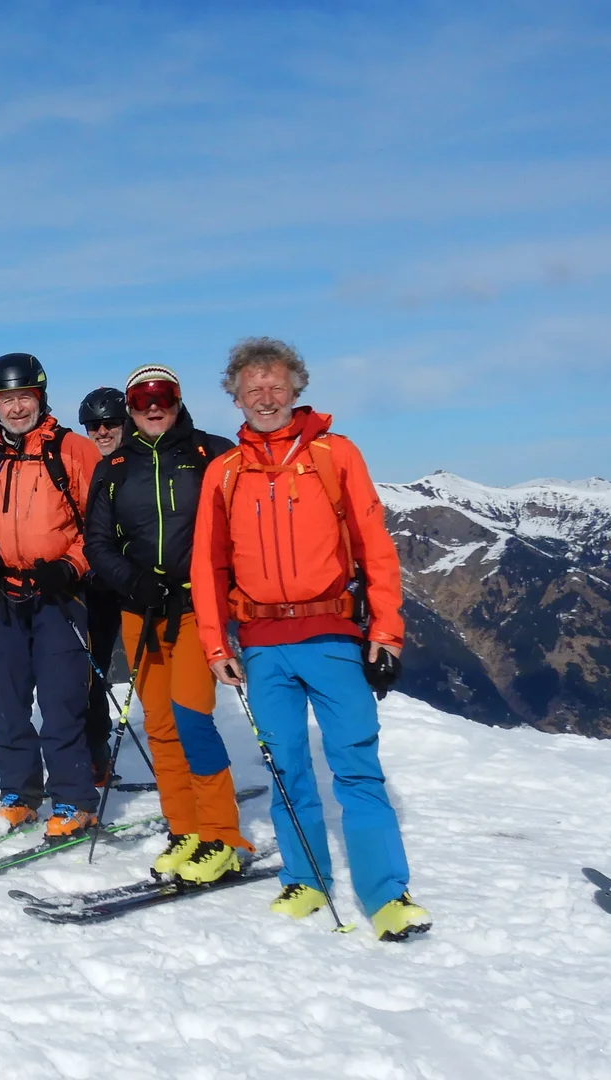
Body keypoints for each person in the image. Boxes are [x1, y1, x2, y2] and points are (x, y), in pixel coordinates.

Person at [192, 337, 430, 942]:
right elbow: (208, 566)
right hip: (263, 643)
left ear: (296, 388)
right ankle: (305, 878)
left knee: (356, 765)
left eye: (275, 387)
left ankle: (387, 895)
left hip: (332, 635)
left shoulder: (334, 454)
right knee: (287, 766)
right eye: (252, 390)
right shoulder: (224, 472)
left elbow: (377, 548)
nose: (265, 398)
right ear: (236, 397)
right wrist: (217, 645)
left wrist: (387, 632)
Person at [85, 364, 254, 884]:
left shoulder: (212, 453)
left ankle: (222, 835)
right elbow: (98, 543)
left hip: (193, 611)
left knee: (192, 719)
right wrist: (135, 584)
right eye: (141, 397)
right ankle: (184, 829)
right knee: (158, 724)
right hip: (141, 611)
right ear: (130, 405)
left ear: (178, 399)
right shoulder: (114, 468)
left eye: (163, 395)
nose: (152, 405)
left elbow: (239, 529)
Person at [0, 353, 104, 838]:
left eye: (24, 397)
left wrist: (71, 566)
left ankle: (74, 800)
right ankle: (21, 794)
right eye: (6, 399)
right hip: (6, 595)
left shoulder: (73, 451)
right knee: (6, 700)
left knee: (62, 701)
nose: (17, 407)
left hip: (59, 597)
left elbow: (99, 526)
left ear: (40, 398)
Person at [78, 386, 130, 783]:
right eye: (94, 425)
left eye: (110, 422)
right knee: (91, 675)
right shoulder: (88, 468)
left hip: (142, 586)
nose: (102, 431)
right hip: (96, 587)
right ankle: (96, 756)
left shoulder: (144, 463)